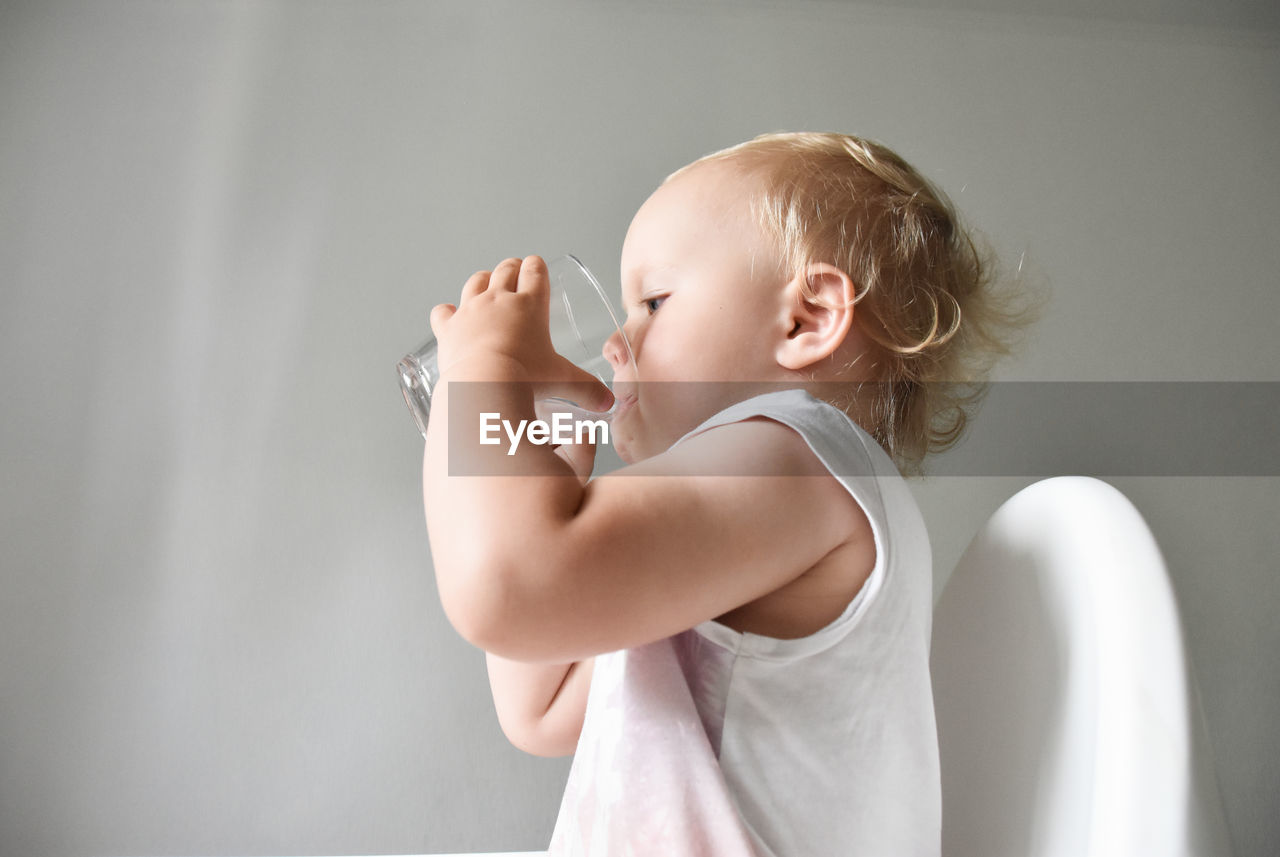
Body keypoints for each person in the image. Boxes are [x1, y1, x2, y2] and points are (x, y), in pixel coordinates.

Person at [421, 132, 1034, 856]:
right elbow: (542, 702)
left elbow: (510, 589)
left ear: (805, 321)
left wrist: (481, 373)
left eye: (653, 301)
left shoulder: (797, 459)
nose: (618, 343)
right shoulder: (737, 533)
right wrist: (539, 466)